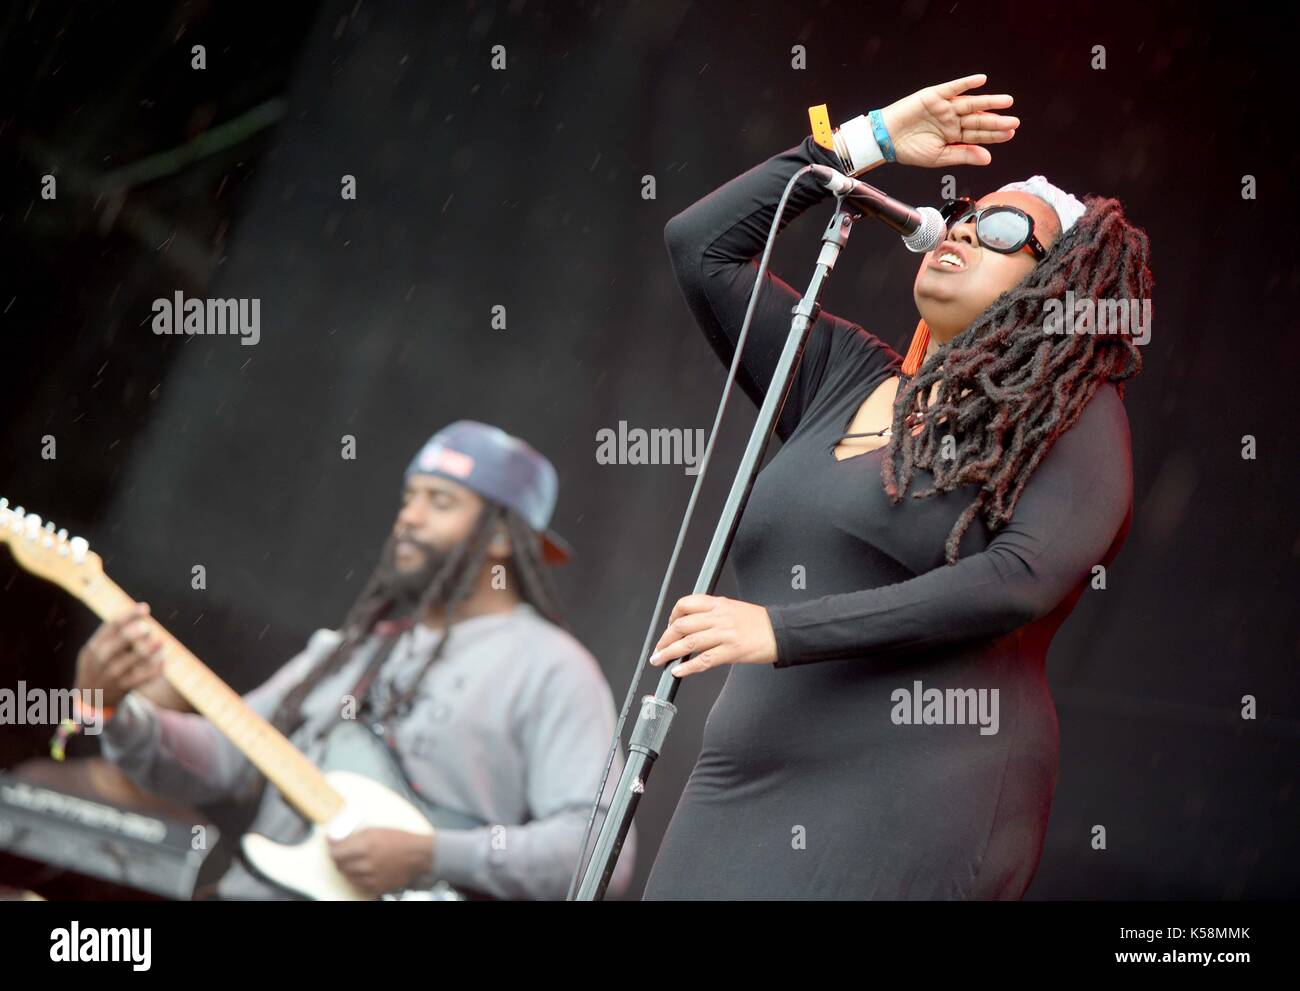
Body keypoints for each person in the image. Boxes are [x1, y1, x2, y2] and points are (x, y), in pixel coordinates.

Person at [642, 74, 1152, 899]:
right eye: (961, 213)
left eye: (1004, 225)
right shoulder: (840, 371)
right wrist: (862, 142)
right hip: (742, 782)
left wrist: (782, 628)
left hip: (918, 788)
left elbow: (1015, 581)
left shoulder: (1075, 414)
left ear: (1060, 285)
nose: (962, 229)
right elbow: (700, 246)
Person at [76, 420, 635, 900]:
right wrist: (111, 712)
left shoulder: (554, 668)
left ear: (500, 539)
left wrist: (431, 855)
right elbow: (220, 760)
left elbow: (599, 845)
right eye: (408, 498)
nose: (409, 518)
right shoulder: (350, 649)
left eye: (440, 502)